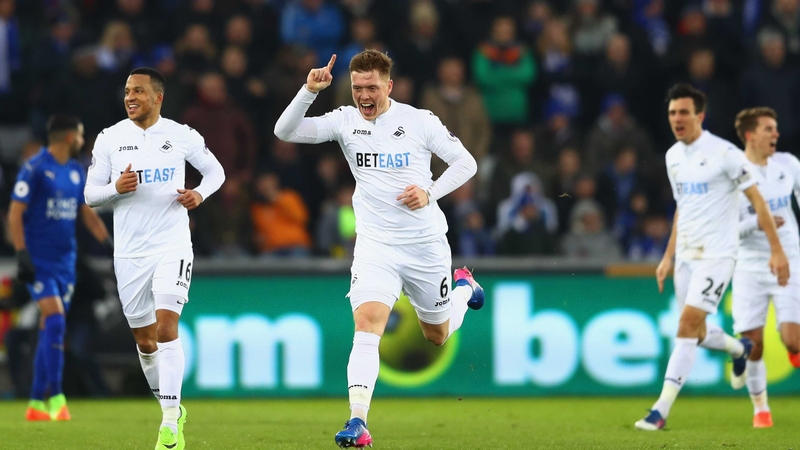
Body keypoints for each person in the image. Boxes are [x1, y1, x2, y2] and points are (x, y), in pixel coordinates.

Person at [274, 49, 483, 448]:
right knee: (367, 325)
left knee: (436, 335)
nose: (364, 95)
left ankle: (465, 290)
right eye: (357, 88)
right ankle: (358, 421)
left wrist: (430, 191)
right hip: (375, 246)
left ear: (389, 86)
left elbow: (466, 163)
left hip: (424, 246)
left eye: (371, 87)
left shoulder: (419, 121)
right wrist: (308, 91)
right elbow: (285, 132)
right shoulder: (344, 121)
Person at [83, 67, 225, 450]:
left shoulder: (181, 135)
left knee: (166, 328)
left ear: (158, 97)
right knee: (145, 342)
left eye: (139, 91)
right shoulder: (110, 138)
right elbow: (90, 195)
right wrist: (116, 187)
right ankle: (172, 408)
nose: (130, 97)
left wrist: (199, 194)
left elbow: (216, 172)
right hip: (129, 252)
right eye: (128, 91)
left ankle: (168, 423)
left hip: (172, 245)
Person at [635, 84, 789, 431]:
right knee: (699, 333)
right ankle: (739, 348)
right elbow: (682, 209)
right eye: (673, 112)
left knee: (686, 327)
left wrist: (777, 250)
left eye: (684, 112)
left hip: (718, 255)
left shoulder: (726, 154)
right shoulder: (672, 156)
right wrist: (667, 256)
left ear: (699, 116)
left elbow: (759, 201)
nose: (677, 118)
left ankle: (659, 411)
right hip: (687, 256)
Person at [8, 114, 111, 421]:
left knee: (52, 327)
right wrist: (22, 253)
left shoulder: (76, 172)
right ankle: (56, 397)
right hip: (39, 259)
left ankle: (36, 404)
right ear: (69, 137)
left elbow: (86, 214)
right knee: (54, 319)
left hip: (67, 261)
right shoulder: (35, 168)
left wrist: (109, 244)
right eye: (80, 136)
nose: (82, 141)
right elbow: (14, 214)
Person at [731, 107, 800, 428]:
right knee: (753, 345)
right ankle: (761, 409)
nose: (776, 134)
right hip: (749, 265)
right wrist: (759, 223)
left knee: (793, 340)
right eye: (768, 129)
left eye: (775, 128)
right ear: (750, 135)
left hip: (789, 258)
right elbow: (728, 227)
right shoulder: (732, 174)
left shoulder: (789, 165)